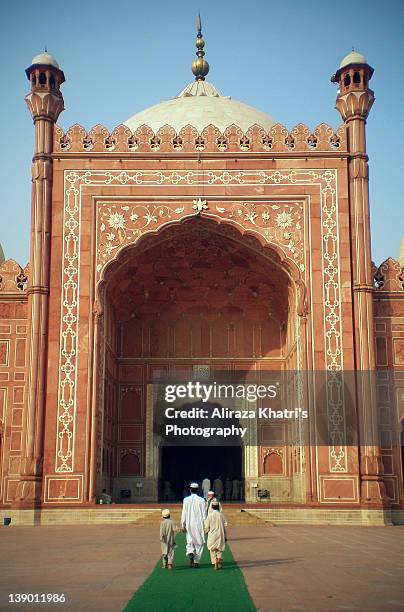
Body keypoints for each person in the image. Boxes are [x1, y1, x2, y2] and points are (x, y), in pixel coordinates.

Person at [181, 482, 206, 568]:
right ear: (198, 490)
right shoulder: (202, 500)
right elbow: (204, 514)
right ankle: (196, 561)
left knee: (189, 540)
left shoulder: (186, 500)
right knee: (199, 542)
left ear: (190, 490)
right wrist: (206, 526)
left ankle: (190, 552)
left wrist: (182, 524)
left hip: (189, 523)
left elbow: (183, 513)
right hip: (199, 524)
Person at [204, 501, 227, 570]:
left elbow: (206, 526)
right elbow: (225, 524)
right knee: (219, 549)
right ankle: (219, 560)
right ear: (218, 507)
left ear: (212, 507)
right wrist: (225, 535)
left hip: (212, 534)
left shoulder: (210, 515)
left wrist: (206, 532)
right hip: (220, 533)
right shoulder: (221, 515)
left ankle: (215, 564)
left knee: (212, 549)